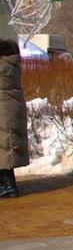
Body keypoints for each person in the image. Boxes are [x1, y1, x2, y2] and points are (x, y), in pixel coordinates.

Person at [0, 39, 28, 197]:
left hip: (2, 111)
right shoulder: (12, 67)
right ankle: (9, 186)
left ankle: (8, 187)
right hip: (11, 110)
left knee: (3, 150)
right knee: (6, 151)